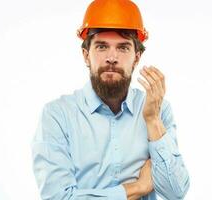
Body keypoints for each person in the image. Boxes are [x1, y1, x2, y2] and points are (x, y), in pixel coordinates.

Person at [31, 0, 190, 199]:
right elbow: (58, 197)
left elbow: (175, 193)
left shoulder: (158, 110)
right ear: (86, 55)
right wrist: (138, 188)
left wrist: (153, 121)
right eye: (102, 47)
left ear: (137, 58)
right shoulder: (57, 115)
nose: (112, 58)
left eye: (123, 48)